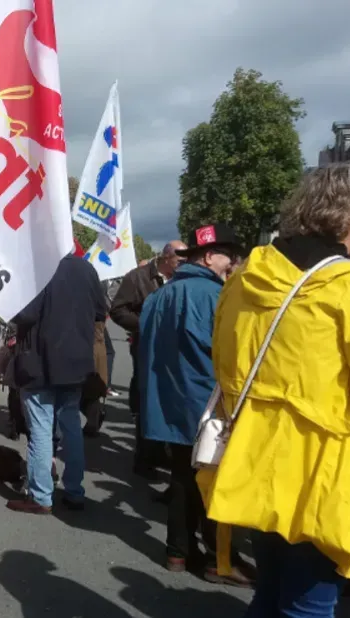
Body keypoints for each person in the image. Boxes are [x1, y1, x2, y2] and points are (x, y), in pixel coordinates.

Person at [198, 163, 350, 616]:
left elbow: (223, 361)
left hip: (250, 458)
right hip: (323, 471)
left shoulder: (243, 277)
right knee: (309, 603)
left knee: (272, 589)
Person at [137, 223, 248, 585]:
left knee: (182, 478)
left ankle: (178, 552)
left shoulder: (159, 296)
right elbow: (226, 355)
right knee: (211, 481)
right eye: (226, 257)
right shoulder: (217, 296)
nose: (230, 264)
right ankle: (218, 558)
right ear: (209, 256)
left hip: (167, 402)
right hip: (204, 403)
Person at [7, 255, 106, 514]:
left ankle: (41, 496)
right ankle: (74, 491)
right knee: (71, 425)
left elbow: (23, 313)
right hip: (75, 360)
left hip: (39, 360)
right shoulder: (85, 268)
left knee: (40, 430)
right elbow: (99, 310)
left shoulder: (37, 265)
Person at [109, 240, 186, 479]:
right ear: (165, 257)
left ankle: (165, 453)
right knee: (147, 399)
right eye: (179, 260)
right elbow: (118, 310)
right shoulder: (138, 277)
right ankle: (145, 457)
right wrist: (145, 324)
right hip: (146, 347)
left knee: (171, 401)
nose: (182, 265)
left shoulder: (183, 279)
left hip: (175, 350)